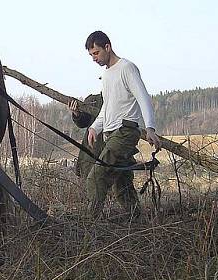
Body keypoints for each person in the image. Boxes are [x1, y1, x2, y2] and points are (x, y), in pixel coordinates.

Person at [82, 30, 161, 217]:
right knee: (122, 185)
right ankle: (137, 224)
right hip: (111, 134)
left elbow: (143, 98)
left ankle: (87, 226)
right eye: (91, 55)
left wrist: (150, 128)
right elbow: (107, 108)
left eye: (96, 53)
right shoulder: (107, 75)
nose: (94, 58)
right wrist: (95, 128)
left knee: (96, 178)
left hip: (125, 131)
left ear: (107, 47)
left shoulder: (127, 68)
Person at [68, 93, 103, 179]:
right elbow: (83, 122)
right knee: (89, 178)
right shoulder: (93, 100)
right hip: (93, 148)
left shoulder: (120, 98)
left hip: (114, 147)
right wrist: (76, 113)